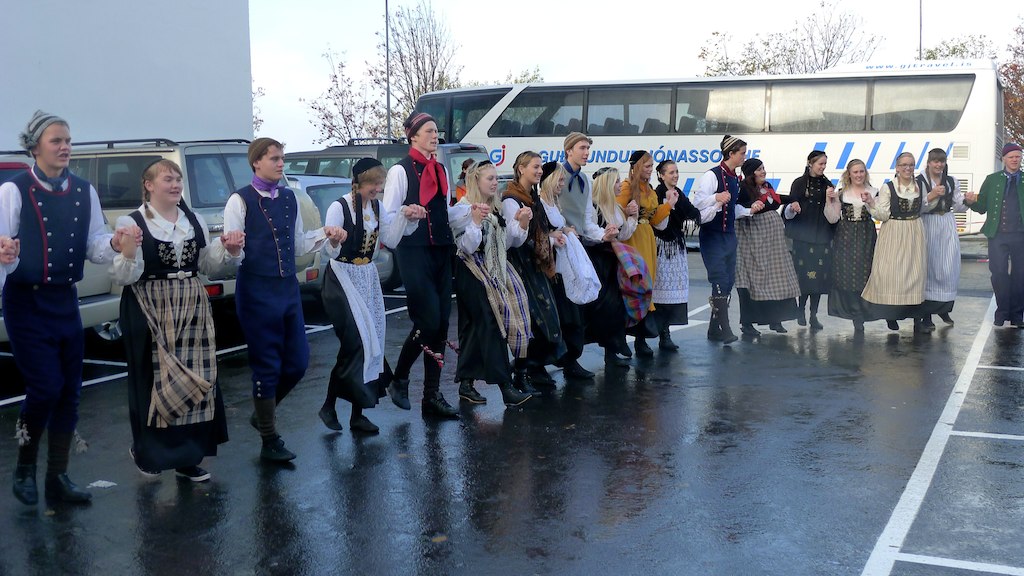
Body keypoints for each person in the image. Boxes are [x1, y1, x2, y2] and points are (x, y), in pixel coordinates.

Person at [1, 110, 136, 504]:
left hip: (64, 299)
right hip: (26, 301)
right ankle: (25, 467)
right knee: (45, 387)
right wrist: (5, 252)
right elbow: (4, 249)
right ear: (35, 146)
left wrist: (112, 243)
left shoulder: (83, 190)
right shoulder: (14, 190)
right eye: (56, 140)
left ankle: (57, 477)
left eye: (68, 140)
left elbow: (94, 243)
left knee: (70, 392)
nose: (64, 147)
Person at [112, 159, 242, 481]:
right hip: (148, 305)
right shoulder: (132, 222)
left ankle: (188, 457)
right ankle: (149, 453)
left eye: (178, 179)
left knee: (196, 377)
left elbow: (207, 266)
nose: (175, 185)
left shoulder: (192, 218)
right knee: (152, 380)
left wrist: (226, 249)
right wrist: (128, 253)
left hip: (191, 303)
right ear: (149, 184)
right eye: (167, 179)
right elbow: (125, 276)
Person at [225, 137, 344, 462]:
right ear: (256, 163)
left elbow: (297, 246)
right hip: (256, 291)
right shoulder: (240, 200)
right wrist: (232, 247)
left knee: (298, 362)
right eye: (274, 158)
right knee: (266, 365)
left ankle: (263, 413)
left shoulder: (290, 198)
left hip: (287, 290)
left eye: (282, 158)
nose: (280, 163)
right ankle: (269, 438)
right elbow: (233, 256)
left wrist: (326, 234)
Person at [382, 113, 460, 418]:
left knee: (440, 324)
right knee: (427, 321)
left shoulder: (440, 169)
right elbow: (389, 217)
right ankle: (400, 378)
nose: (435, 135)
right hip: (413, 252)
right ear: (413, 136)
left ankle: (431, 395)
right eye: (429, 131)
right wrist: (406, 212)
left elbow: (445, 210)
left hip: (441, 250)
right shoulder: (400, 172)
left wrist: (469, 214)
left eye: (436, 131)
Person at [320, 158, 404, 434]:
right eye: (373, 183)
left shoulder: (376, 207)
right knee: (356, 342)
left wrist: (405, 215)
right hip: (341, 278)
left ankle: (356, 413)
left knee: (371, 342)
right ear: (358, 183)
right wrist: (334, 240)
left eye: (380, 183)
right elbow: (328, 251)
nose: (377, 189)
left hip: (366, 277)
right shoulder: (339, 206)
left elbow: (390, 240)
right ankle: (330, 404)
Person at [449, 160, 533, 406]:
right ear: (476, 181)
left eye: (496, 178)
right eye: (490, 178)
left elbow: (506, 243)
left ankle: (466, 384)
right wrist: (475, 221)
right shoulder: (462, 209)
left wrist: (521, 224)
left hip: (494, 267)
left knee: (475, 327)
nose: (496, 182)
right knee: (490, 322)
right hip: (471, 269)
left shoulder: (494, 207)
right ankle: (506, 386)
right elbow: (467, 246)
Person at [502, 151, 564, 390]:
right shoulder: (511, 199)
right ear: (521, 169)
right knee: (529, 321)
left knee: (545, 318)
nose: (539, 171)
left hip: (535, 262)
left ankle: (535, 367)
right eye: (535, 167)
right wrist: (524, 224)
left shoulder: (531, 196)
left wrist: (548, 238)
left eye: (540, 168)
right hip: (521, 265)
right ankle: (522, 373)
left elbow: (540, 231)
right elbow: (513, 240)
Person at [555, 132, 613, 378]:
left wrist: (603, 235)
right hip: (561, 248)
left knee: (580, 306)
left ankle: (571, 359)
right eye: (582, 148)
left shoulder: (585, 180)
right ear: (569, 150)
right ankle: (560, 361)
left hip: (580, 248)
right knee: (567, 307)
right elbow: (551, 208)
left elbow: (587, 220)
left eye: (588, 148)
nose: (586, 152)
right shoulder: (557, 176)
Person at [617, 150, 676, 356]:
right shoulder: (626, 187)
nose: (650, 170)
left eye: (651, 166)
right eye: (647, 166)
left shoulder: (649, 189)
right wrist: (627, 213)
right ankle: (629, 338)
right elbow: (615, 212)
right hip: (632, 238)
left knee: (647, 285)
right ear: (636, 166)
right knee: (635, 285)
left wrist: (669, 204)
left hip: (647, 238)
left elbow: (652, 218)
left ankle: (641, 338)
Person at [692, 135, 749, 345]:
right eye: (742, 153)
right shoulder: (712, 175)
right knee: (719, 279)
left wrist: (751, 210)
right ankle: (724, 329)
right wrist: (715, 197)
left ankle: (713, 328)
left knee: (728, 281)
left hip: (728, 235)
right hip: (712, 235)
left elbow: (732, 207)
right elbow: (697, 203)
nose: (745, 157)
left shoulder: (735, 177)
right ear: (730, 154)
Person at [734, 158, 800, 336]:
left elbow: (777, 201)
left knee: (776, 278)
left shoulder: (767, 186)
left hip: (774, 241)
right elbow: (738, 209)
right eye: (759, 169)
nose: (763, 171)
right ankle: (747, 324)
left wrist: (793, 201)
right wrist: (751, 208)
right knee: (753, 280)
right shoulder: (743, 189)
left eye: (763, 168)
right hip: (754, 241)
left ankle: (775, 319)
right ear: (750, 173)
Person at [861, 152, 926, 330]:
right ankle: (890, 315)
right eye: (904, 165)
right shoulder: (887, 188)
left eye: (911, 165)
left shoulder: (920, 185)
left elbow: (924, 206)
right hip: (894, 231)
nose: (908, 168)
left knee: (914, 274)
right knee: (891, 274)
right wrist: (871, 204)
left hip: (914, 231)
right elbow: (883, 215)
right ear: (897, 168)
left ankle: (916, 317)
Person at [583, 167, 640, 366]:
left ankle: (612, 350)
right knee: (605, 306)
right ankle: (609, 347)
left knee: (616, 306)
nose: (620, 184)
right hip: (600, 262)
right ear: (607, 184)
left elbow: (623, 235)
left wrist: (632, 217)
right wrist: (605, 235)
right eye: (616, 181)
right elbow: (588, 232)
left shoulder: (615, 207)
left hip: (614, 261)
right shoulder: (594, 206)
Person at [965, 143, 1024, 327]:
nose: (1015, 159)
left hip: (1020, 235)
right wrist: (970, 202)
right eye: (1011, 156)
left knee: (1020, 275)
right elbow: (982, 207)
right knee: (998, 274)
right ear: (1004, 159)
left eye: (1018, 156)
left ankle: (1016, 315)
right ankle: (1002, 311)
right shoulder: (992, 180)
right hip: (997, 234)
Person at [824, 159, 882, 332]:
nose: (858, 175)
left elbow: (879, 214)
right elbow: (832, 218)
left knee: (866, 272)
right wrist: (830, 201)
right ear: (849, 174)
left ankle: (865, 312)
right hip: (846, 234)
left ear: (866, 173)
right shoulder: (842, 193)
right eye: (855, 172)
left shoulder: (874, 191)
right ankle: (854, 313)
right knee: (847, 273)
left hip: (866, 233)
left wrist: (871, 202)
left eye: (861, 171)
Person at [651, 160, 701, 349]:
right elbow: (657, 223)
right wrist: (669, 204)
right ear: (662, 175)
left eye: (676, 172)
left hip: (676, 246)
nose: (675, 175)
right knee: (657, 292)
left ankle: (665, 333)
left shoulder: (679, 193)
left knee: (673, 293)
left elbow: (692, 212)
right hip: (659, 247)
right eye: (671, 172)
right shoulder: (656, 194)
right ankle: (646, 336)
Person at [784, 150, 835, 331]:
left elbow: (832, 209)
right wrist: (793, 206)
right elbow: (790, 205)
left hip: (821, 236)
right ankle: (800, 310)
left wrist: (832, 198)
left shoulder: (828, 184)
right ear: (810, 163)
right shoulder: (799, 183)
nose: (823, 167)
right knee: (803, 276)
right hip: (803, 236)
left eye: (825, 164)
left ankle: (813, 314)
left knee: (818, 278)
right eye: (820, 164)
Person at [916, 148, 964, 331]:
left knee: (948, 267)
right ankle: (926, 315)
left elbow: (958, 205)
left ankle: (944, 308)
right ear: (929, 162)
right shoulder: (919, 181)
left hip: (946, 223)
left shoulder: (951, 181)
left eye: (942, 161)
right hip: (928, 223)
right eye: (935, 161)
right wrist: (932, 195)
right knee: (929, 268)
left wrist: (967, 200)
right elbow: (916, 206)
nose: (939, 165)